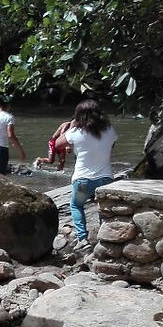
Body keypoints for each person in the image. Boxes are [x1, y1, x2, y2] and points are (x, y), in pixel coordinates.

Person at [55, 100, 117, 251]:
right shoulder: (109, 130)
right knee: (102, 208)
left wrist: (69, 127)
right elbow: (112, 145)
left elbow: (57, 144)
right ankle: (104, 239)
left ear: (79, 116)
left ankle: (83, 239)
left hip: (83, 180)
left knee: (76, 205)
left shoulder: (76, 133)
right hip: (106, 179)